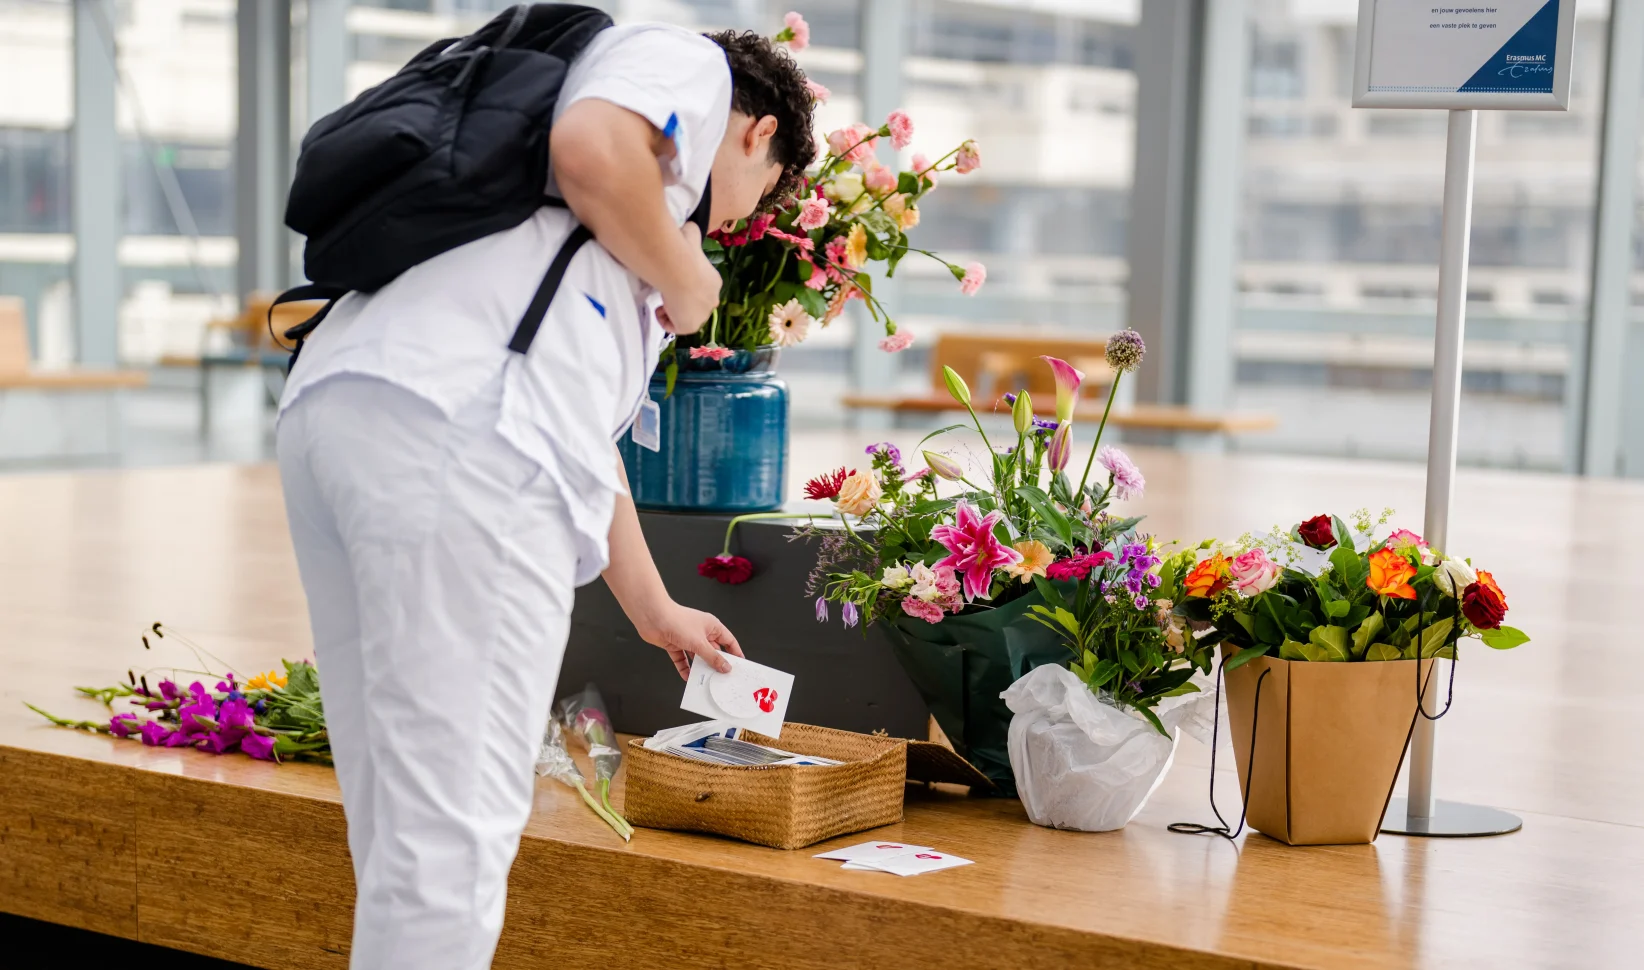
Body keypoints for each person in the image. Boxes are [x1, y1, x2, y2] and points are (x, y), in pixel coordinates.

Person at [274, 23, 816, 970]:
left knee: (401, 822)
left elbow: (576, 438)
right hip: (459, 434)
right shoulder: (683, 68)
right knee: (455, 838)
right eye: (760, 198)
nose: (732, 227)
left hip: (356, 406)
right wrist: (692, 283)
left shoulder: (545, 228)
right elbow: (594, 149)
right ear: (757, 134)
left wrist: (653, 608)